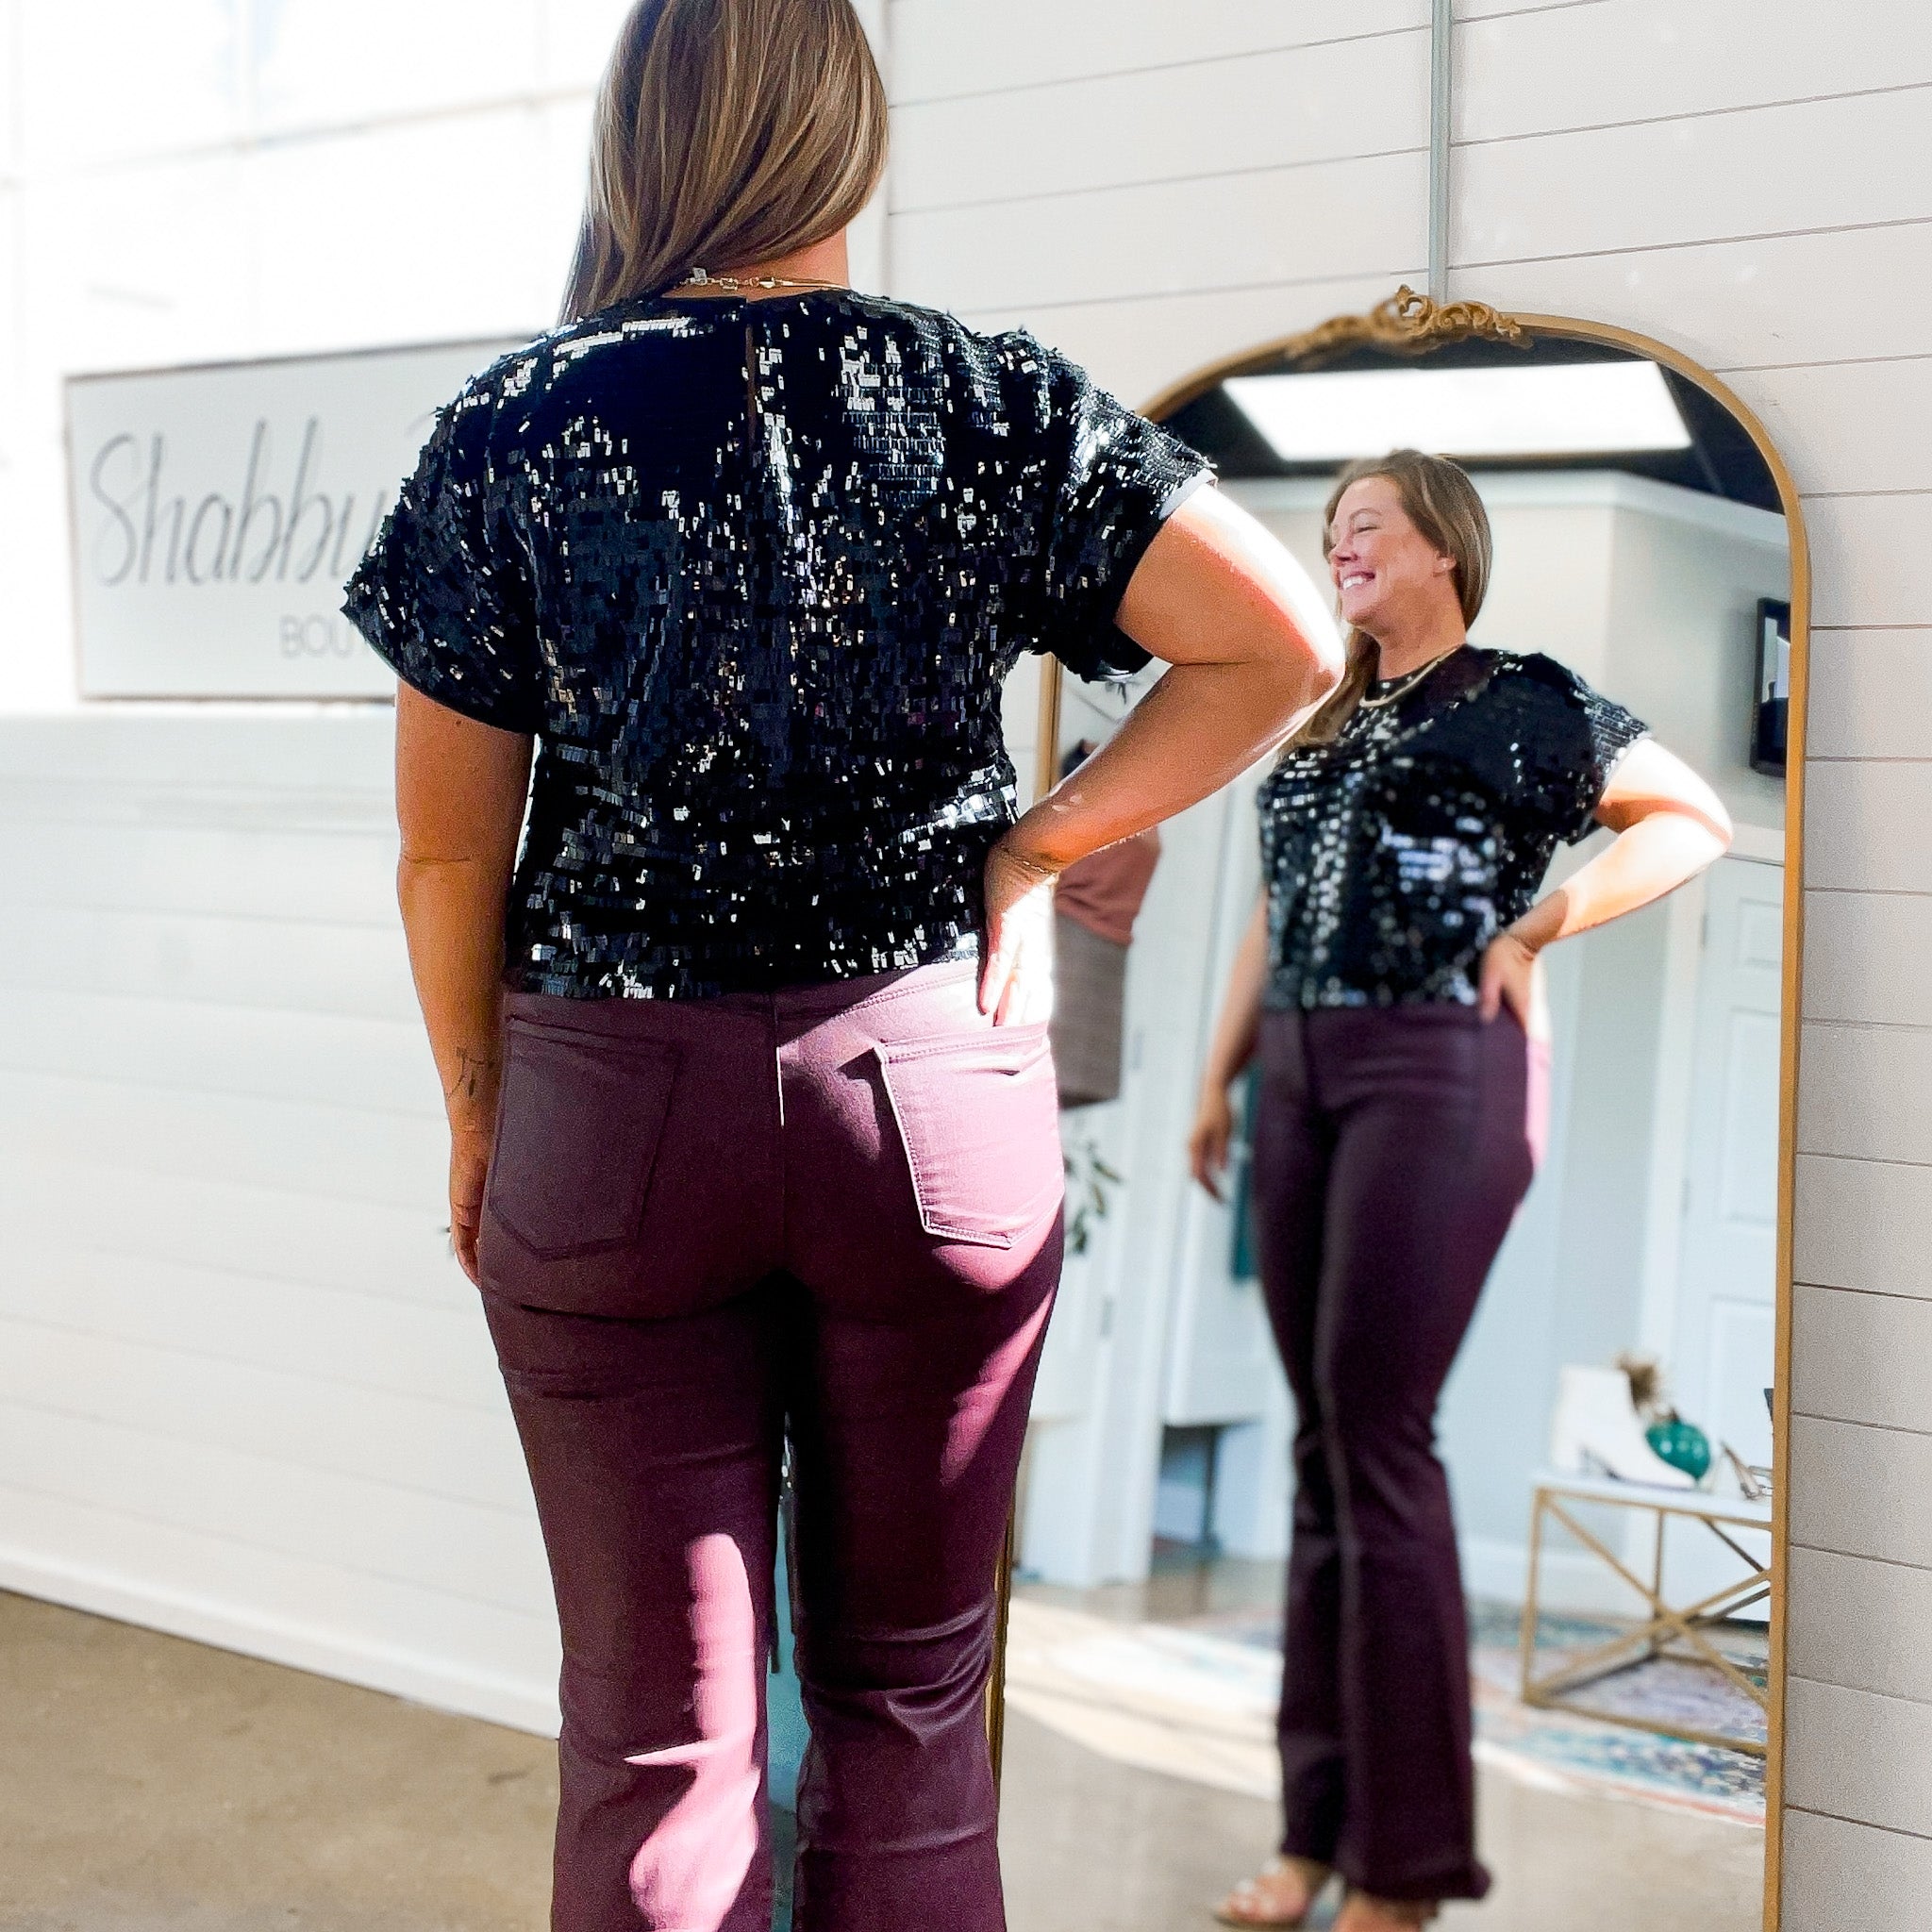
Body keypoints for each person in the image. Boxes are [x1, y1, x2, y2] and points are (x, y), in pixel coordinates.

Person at [342, 3, 1339, 1928]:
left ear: (640, 139)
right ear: (850, 142)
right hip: (928, 1078)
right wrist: (1041, 838)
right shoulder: (980, 396)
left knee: (653, 1739)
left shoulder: (516, 423)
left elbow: (447, 847)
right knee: (906, 1704)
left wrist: (477, 1108)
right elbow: (1281, 641)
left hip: (610, 1106)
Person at [1191, 450, 1732, 1930]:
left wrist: (1539, 928)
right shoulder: (1320, 714)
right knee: (1324, 1458)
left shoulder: (1527, 699)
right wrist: (1217, 1078)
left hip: (1441, 1062)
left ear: (1444, 546)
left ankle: (1410, 1870)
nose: (1341, 545)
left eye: (1366, 523)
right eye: (1333, 529)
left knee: (1379, 1444)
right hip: (1300, 1068)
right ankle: (1314, 1839)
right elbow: (1276, 908)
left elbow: (1692, 818)